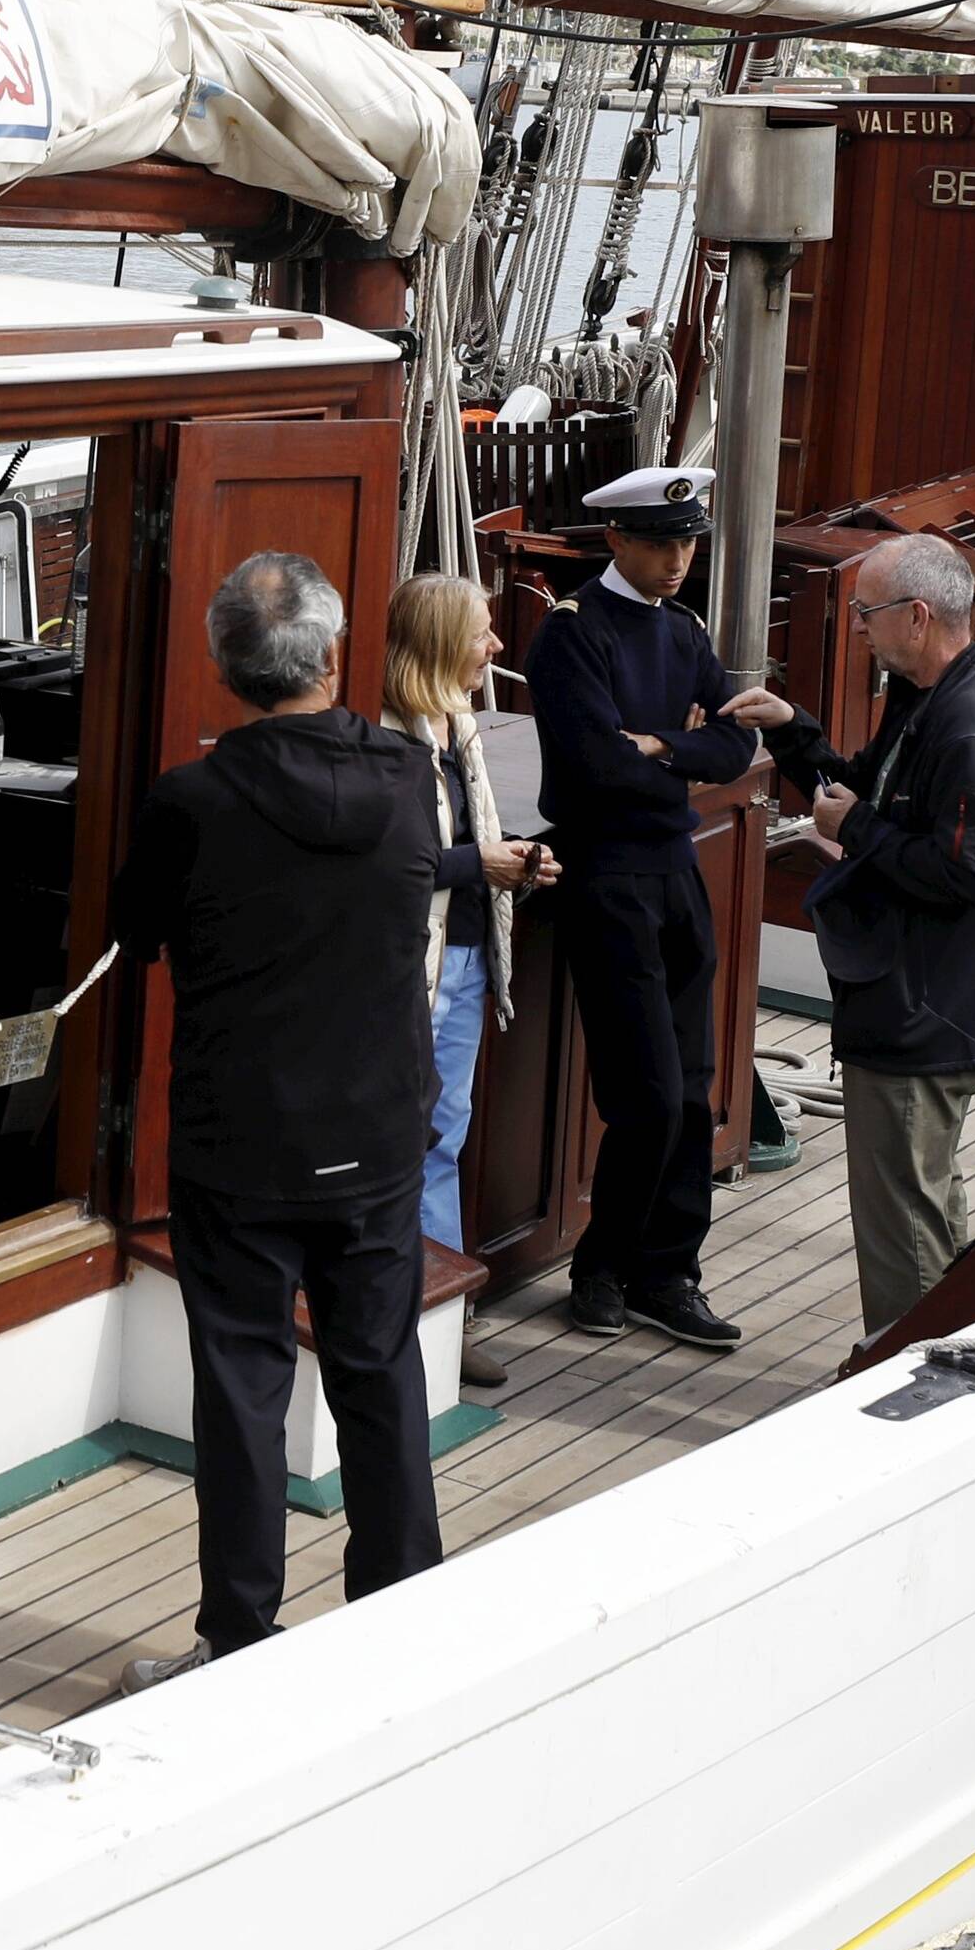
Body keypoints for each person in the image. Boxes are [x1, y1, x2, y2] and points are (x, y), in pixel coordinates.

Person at [112, 550, 449, 1685]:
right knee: (377, 1369)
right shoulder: (407, 776)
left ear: (223, 665)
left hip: (242, 1139)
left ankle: (240, 1640)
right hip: (376, 1132)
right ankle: (402, 1620)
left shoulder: (190, 802)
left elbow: (136, 929)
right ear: (334, 650)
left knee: (244, 1385)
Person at [523, 467, 792, 1352]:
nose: (679, 559)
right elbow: (597, 766)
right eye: (661, 542)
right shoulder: (572, 635)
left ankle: (668, 1272)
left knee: (690, 1088)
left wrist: (662, 744)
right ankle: (600, 1267)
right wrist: (677, 754)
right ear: (616, 541)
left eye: (688, 541)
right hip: (606, 877)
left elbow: (735, 743)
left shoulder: (683, 631)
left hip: (675, 873)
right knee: (644, 1095)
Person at [798, 531, 975, 1335]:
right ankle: (942, 1346)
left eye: (868, 612)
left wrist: (857, 827)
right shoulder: (926, 696)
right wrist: (791, 734)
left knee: (904, 1216)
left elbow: (972, 874)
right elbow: (865, 787)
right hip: (909, 1003)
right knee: (925, 1200)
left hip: (925, 1017)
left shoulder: (968, 725)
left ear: (918, 615)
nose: (859, 624)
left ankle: (916, 1370)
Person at [385, 571, 558, 1389]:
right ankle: (403, 1319)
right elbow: (388, 862)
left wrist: (516, 861)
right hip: (410, 974)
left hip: (465, 957)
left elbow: (468, 833)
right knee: (406, 1140)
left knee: (444, 1138)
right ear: (440, 641)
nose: (496, 645)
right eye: (482, 632)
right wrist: (476, 863)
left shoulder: (458, 721)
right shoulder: (387, 736)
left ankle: (445, 1318)